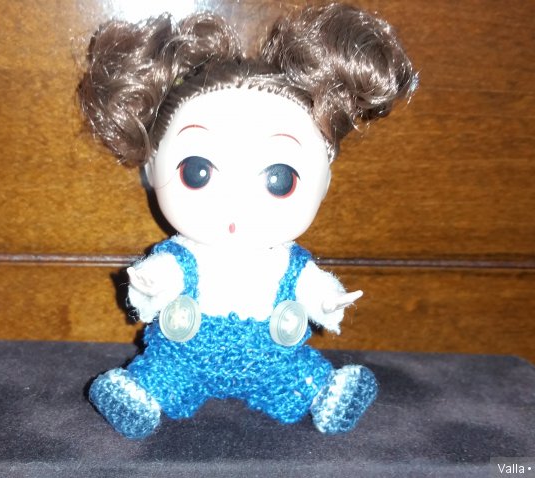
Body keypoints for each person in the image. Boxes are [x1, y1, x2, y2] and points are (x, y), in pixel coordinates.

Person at [79, 3, 416, 439]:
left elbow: (312, 289)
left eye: (279, 179)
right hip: (185, 357)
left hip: (274, 358)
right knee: (163, 372)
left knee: (299, 373)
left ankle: (325, 392)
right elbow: (160, 278)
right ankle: (140, 394)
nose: (234, 204)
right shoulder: (181, 257)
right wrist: (149, 284)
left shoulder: (288, 263)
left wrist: (327, 300)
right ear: (151, 169)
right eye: (197, 171)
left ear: (325, 182)